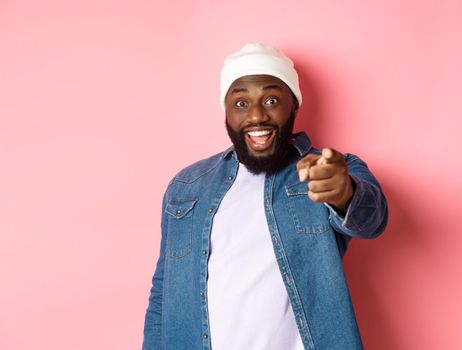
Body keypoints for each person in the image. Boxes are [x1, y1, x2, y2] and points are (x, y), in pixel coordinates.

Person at [142, 43, 388, 350]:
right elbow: (164, 294)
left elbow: (372, 220)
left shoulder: (330, 169)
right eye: (241, 103)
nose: (256, 115)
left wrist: (344, 194)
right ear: (226, 111)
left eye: (271, 100)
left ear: (293, 105)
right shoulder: (187, 186)